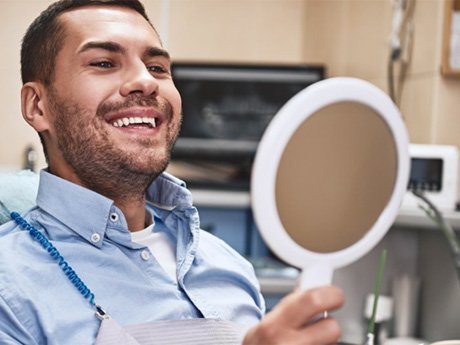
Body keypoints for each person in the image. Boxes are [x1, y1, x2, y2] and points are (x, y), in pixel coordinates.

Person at [0, 0, 344, 344]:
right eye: (104, 63)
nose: (145, 81)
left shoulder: (229, 265)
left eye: (157, 68)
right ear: (37, 106)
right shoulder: (9, 287)